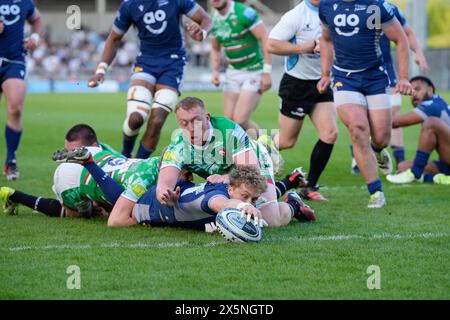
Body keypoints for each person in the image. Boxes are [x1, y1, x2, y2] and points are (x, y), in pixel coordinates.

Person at [156, 97, 314, 227]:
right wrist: (165, 196)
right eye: (184, 123)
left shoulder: (229, 131)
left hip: (254, 164)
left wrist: (225, 178)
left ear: (207, 117)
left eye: (196, 120)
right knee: (238, 210)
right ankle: (284, 185)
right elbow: (164, 184)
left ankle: (294, 204)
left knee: (270, 221)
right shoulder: (177, 146)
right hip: (228, 178)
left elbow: (250, 172)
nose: (191, 127)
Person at [317, 0, 413, 208]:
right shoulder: (326, 6)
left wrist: (404, 77)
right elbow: (325, 40)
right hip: (344, 78)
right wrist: (325, 74)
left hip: (375, 78)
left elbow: (401, 40)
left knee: (381, 137)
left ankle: (378, 150)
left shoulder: (376, 6)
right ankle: (376, 191)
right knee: (358, 129)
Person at [88, 0, 212, 159]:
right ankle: (125, 155)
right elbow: (114, 38)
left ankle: (138, 164)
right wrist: (101, 69)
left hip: (174, 63)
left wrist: (202, 32)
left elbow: (205, 19)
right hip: (145, 63)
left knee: (157, 120)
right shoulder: (129, 5)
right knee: (135, 119)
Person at [264, 0, 338, 201]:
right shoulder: (297, 15)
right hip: (297, 84)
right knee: (287, 141)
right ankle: (255, 151)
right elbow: (271, 44)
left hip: (322, 82)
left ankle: (309, 186)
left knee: (330, 133)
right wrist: (305, 47)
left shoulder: (337, 10)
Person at [350, 1, 429, 174]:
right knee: (361, 117)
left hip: (386, 72)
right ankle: (358, 156)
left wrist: (419, 53)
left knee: (391, 113)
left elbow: (407, 32)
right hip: (355, 74)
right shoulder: (345, 8)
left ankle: (398, 157)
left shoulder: (389, 8)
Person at [209, 0, 272, 139]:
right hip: (232, 73)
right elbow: (215, 48)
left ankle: (267, 147)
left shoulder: (245, 13)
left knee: (240, 119)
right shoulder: (212, 20)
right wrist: (215, 71)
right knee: (229, 123)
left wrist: (267, 71)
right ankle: (246, 154)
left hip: (254, 70)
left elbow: (264, 38)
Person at [0, 0, 42, 179]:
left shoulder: (25, 2)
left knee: (15, 109)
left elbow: (37, 19)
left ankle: (11, 160)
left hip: (15, 60)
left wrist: (35, 38)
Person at [386, 76, 450, 185]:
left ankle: (415, 174)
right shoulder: (438, 102)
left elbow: (395, 122)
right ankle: (436, 178)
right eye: (411, 91)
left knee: (431, 123)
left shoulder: (431, 105)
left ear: (430, 90)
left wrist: (373, 114)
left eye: (417, 89)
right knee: (403, 166)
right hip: (446, 162)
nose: (414, 94)